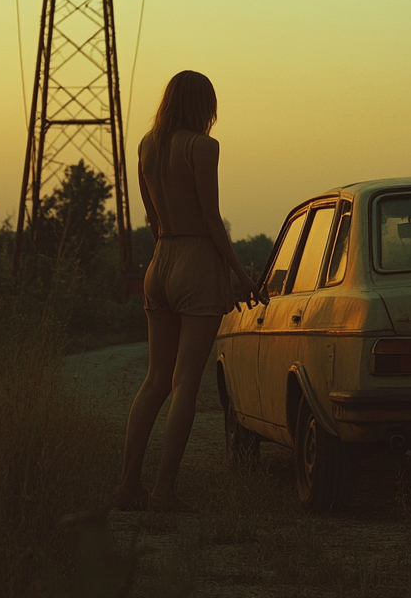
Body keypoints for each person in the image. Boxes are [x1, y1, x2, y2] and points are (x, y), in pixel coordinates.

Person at [113, 70, 267, 512]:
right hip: (195, 262)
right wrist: (241, 273)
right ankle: (164, 491)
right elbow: (211, 218)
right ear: (205, 105)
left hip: (159, 261)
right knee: (185, 383)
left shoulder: (146, 145)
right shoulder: (203, 147)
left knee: (155, 379)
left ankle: (127, 485)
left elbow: (151, 216)